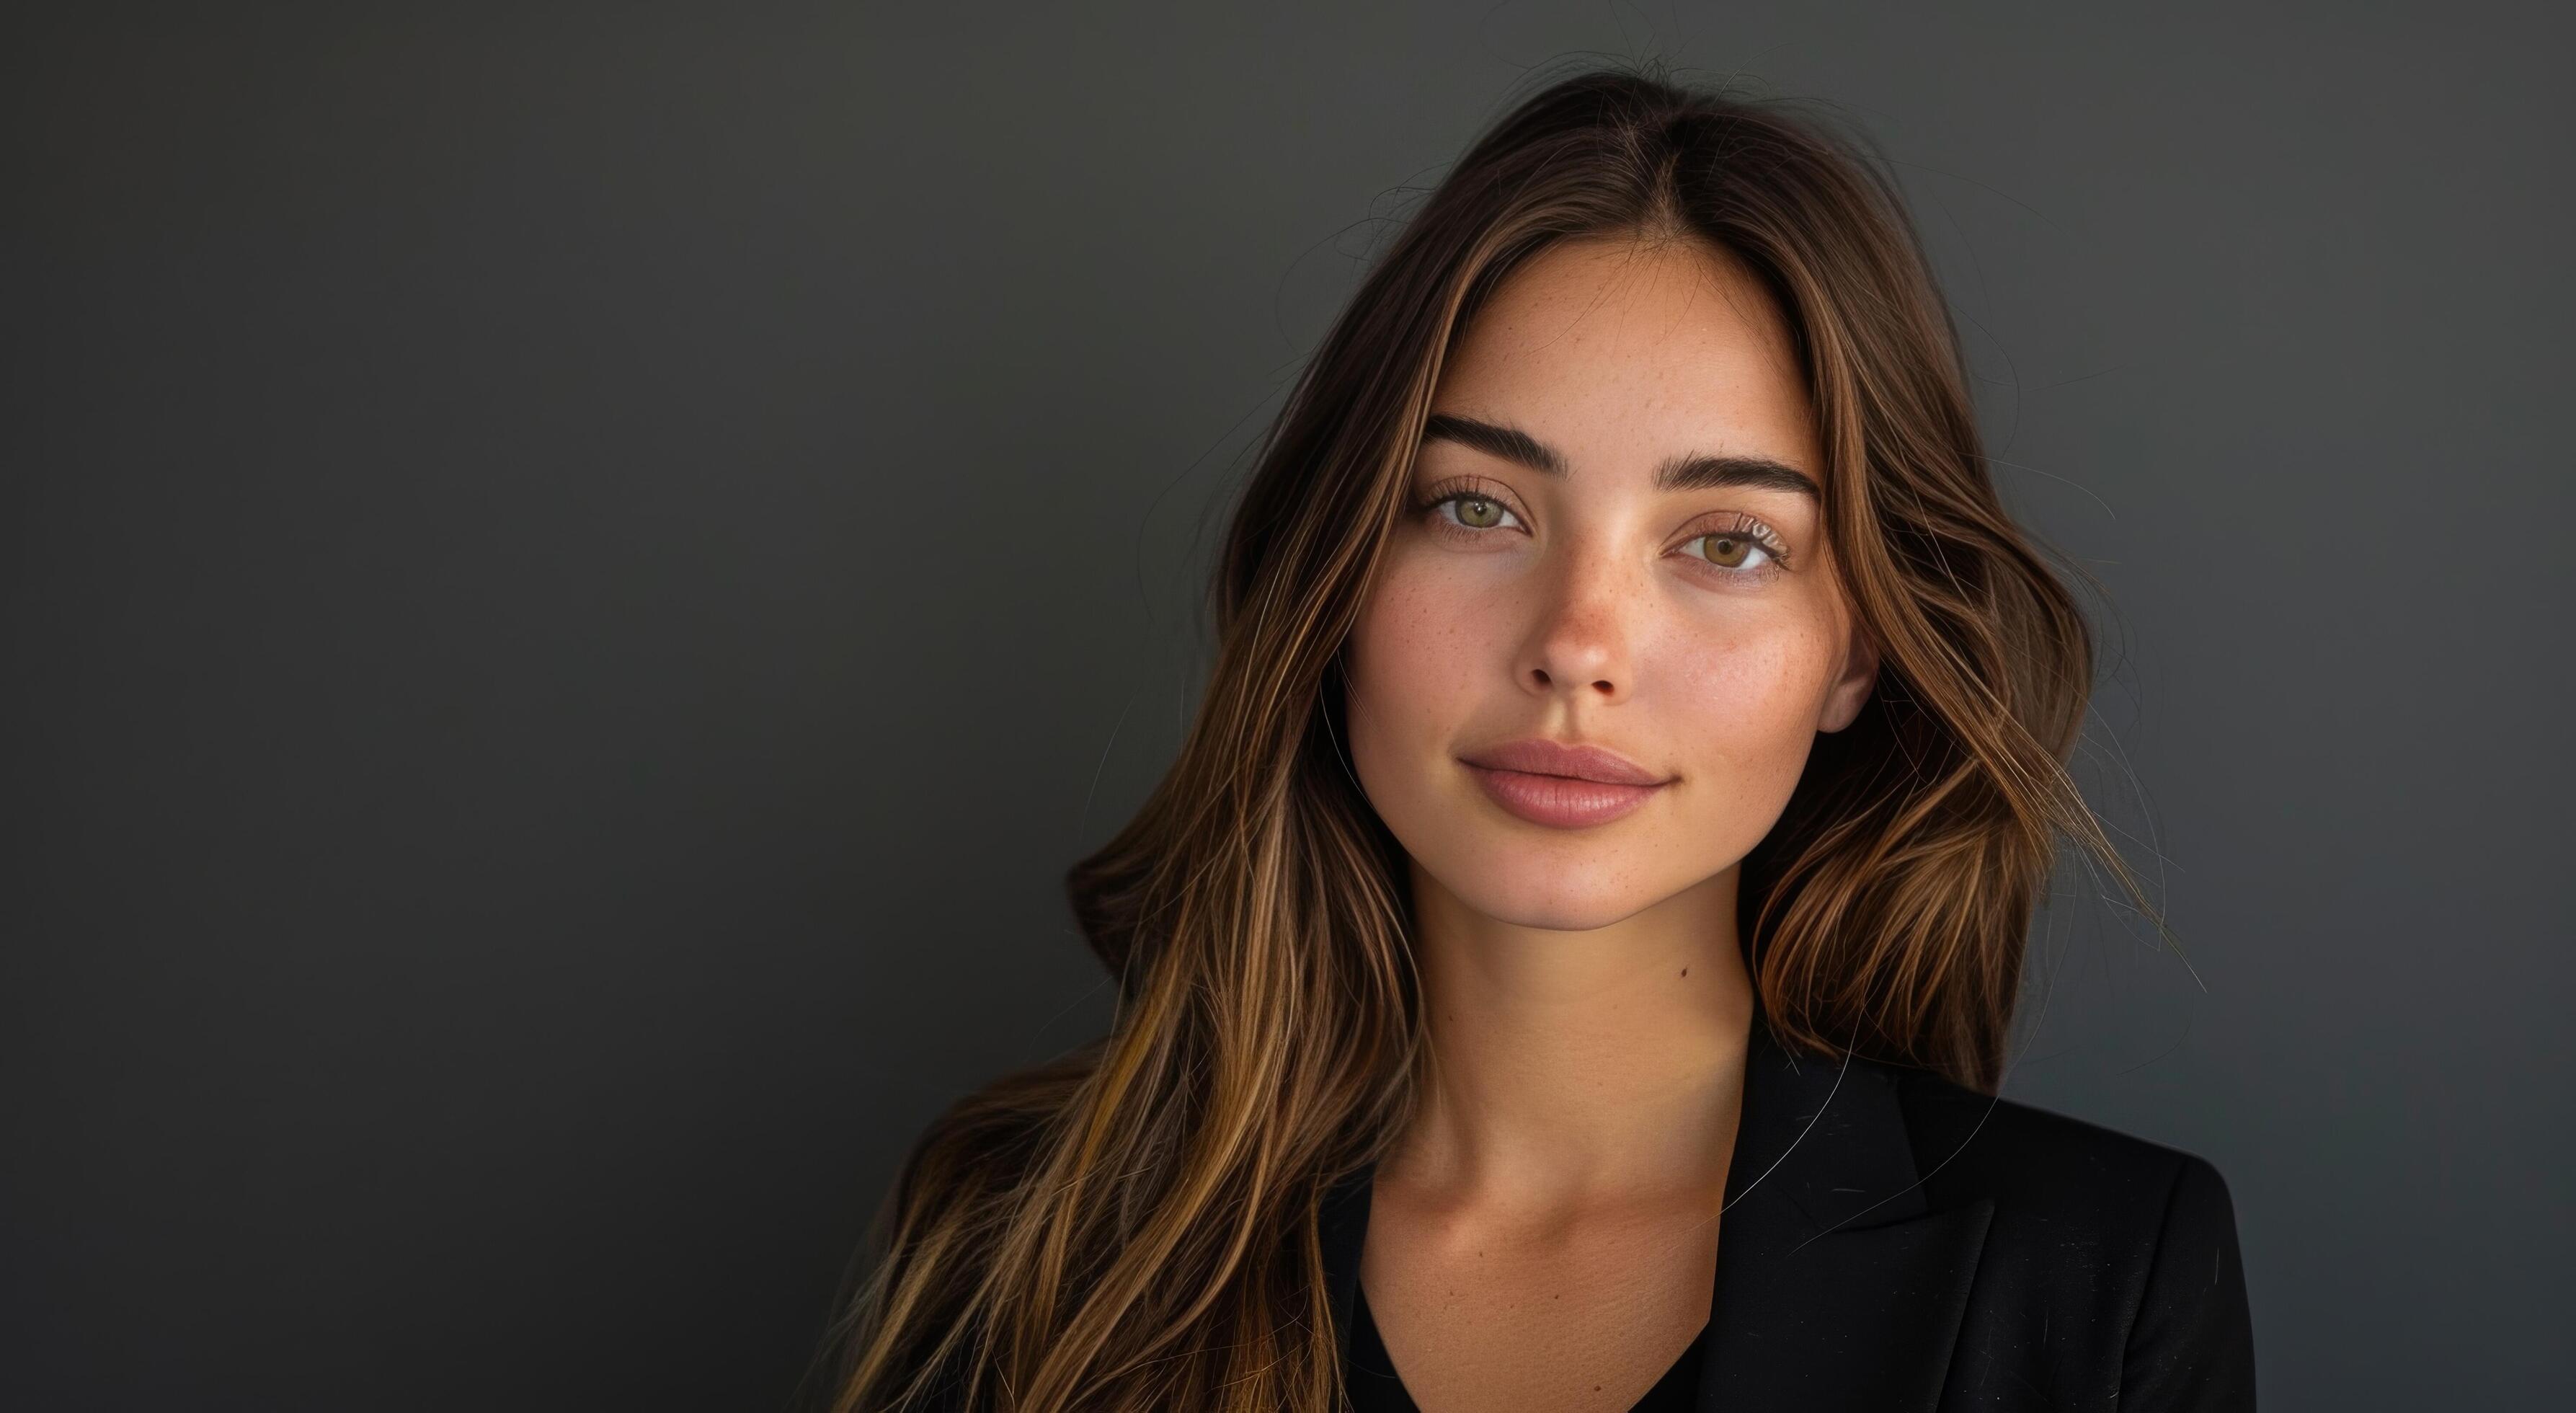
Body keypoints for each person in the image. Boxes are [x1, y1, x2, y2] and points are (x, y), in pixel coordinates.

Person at [804, 61, 2256, 1413]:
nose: (1576, 638)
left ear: (1857, 647)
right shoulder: (1027, 1242)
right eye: (1475, 507)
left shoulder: (2097, 1281)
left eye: (1727, 542)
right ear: (1338, 578)